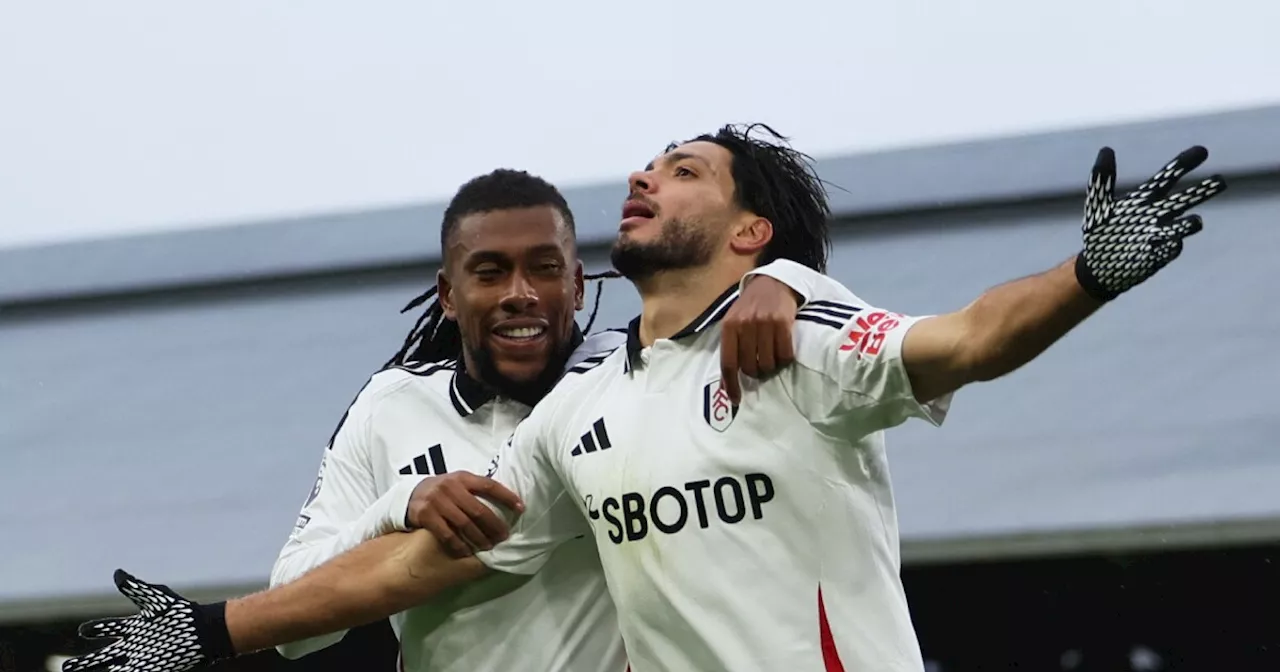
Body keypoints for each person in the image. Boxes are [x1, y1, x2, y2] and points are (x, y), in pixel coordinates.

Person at [62, 126, 1226, 672]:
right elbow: (417, 568)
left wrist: (1089, 273)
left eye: (681, 171)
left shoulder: (800, 332)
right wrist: (209, 632)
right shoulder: (573, 414)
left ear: (748, 230)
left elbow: (968, 338)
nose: (641, 176)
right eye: (645, 164)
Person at [57, 166, 814, 672]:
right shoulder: (391, 405)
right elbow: (301, 624)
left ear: (579, 285)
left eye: (544, 269)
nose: (520, 292)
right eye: (489, 272)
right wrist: (401, 507)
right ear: (448, 295)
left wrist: (785, 279)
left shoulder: (639, 372)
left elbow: (772, 318)